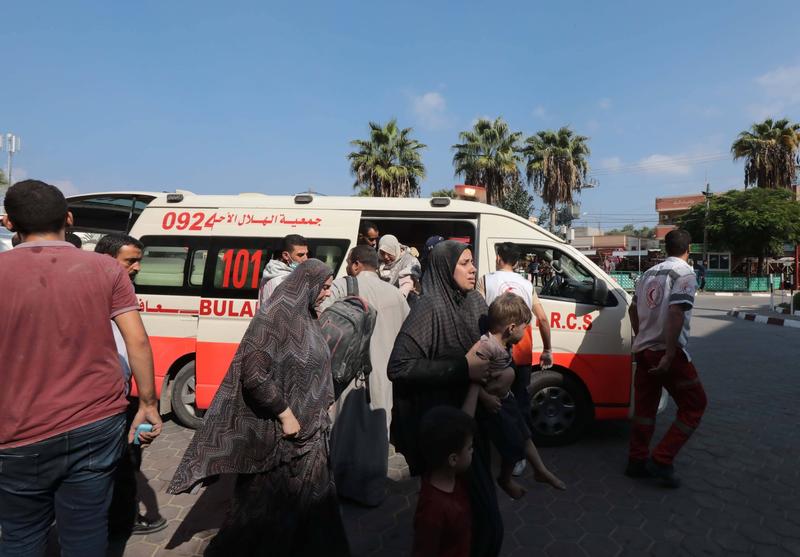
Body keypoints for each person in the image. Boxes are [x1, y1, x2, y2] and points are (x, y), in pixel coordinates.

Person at [0, 180, 162, 557]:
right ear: (68, 218)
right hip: (95, 425)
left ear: (9, 223)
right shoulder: (105, 269)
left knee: (21, 535)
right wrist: (149, 403)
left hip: (16, 432)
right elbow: (137, 341)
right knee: (87, 531)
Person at [167, 259, 350, 556]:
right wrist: (286, 414)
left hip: (312, 437)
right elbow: (253, 374)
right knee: (261, 516)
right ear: (307, 283)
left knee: (314, 510)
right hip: (280, 442)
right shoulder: (274, 317)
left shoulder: (307, 316)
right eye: (325, 287)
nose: (327, 293)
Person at [388, 240, 503, 557]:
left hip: (474, 424)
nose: (473, 269)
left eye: (472, 262)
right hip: (444, 434)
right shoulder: (429, 308)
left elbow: (486, 349)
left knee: (479, 517)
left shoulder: (476, 302)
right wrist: (461, 369)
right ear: (444, 268)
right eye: (465, 263)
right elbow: (398, 366)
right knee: (470, 520)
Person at [95, 233, 167, 540]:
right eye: (130, 261)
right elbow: (137, 343)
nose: (137, 267)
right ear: (107, 260)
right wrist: (149, 404)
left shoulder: (120, 291)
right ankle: (119, 523)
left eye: (139, 260)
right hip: (104, 399)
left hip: (119, 392)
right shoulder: (94, 294)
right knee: (121, 464)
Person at [626, 229, 708, 488]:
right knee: (695, 405)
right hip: (667, 354)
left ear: (665, 248)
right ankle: (662, 459)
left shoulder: (648, 273)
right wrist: (671, 352)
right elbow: (676, 313)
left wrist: (642, 338)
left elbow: (631, 308)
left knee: (645, 409)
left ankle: (636, 461)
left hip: (645, 351)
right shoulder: (685, 273)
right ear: (689, 248)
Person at [473, 293, 565, 499]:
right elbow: (470, 375)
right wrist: (485, 398)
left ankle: (540, 470)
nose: (526, 331)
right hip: (497, 406)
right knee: (514, 445)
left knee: (524, 432)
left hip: (507, 400)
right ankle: (505, 479)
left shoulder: (504, 345)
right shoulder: (486, 346)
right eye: (525, 327)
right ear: (511, 328)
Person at [477, 242, 554, 477]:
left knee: (491, 403)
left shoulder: (485, 280)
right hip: (521, 352)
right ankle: (518, 457)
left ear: (499, 257)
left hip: (494, 351)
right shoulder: (527, 284)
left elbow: (478, 315)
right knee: (519, 404)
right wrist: (547, 349)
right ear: (518, 262)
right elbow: (542, 319)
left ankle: (487, 451)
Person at [321, 245, 410, 432]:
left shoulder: (341, 286)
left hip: (347, 379)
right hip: (384, 381)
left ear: (356, 265)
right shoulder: (396, 294)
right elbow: (409, 333)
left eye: (347, 263)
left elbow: (321, 320)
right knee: (377, 438)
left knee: (343, 439)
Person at [411, 406, 476, 557]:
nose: (473, 451)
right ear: (453, 459)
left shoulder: (454, 478)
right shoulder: (433, 509)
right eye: (469, 448)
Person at [258, 234, 309, 304]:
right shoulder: (282, 280)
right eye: (300, 255)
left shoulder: (271, 272)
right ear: (285, 255)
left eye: (306, 254)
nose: (306, 259)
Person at [378, 234, 421, 298]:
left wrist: (399, 298)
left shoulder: (409, 261)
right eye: (382, 253)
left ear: (395, 249)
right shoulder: (378, 261)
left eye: (389, 253)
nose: (386, 257)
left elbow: (407, 282)